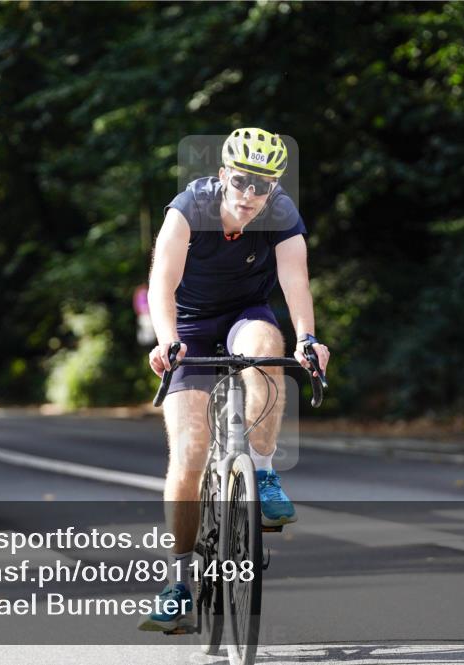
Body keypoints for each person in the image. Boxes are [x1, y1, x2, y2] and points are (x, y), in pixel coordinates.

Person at [138, 128, 330, 632]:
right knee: (189, 452)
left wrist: (308, 339)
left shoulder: (281, 214)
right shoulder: (188, 208)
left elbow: (295, 281)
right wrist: (166, 339)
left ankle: (262, 473)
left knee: (269, 348)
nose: (250, 194)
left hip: (246, 315)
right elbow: (162, 280)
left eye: (262, 186)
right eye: (242, 181)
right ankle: (178, 582)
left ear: (273, 189)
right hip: (191, 326)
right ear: (224, 176)